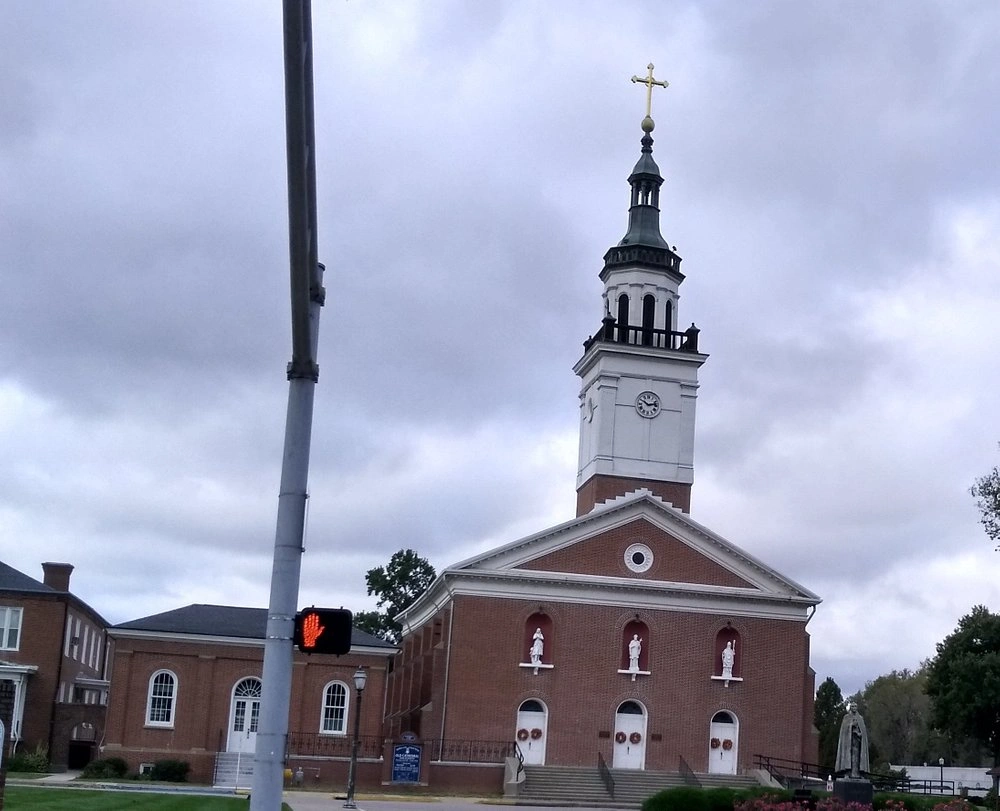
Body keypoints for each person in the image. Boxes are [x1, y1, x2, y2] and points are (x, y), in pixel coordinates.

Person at [834, 703, 870, 778]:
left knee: (857, 758)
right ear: (850, 708)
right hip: (848, 743)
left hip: (858, 743)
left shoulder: (860, 718)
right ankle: (847, 773)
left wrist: (860, 734)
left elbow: (863, 731)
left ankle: (859, 773)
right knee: (848, 757)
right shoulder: (846, 717)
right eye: (852, 706)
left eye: (855, 706)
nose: (854, 708)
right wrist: (851, 726)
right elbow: (844, 731)